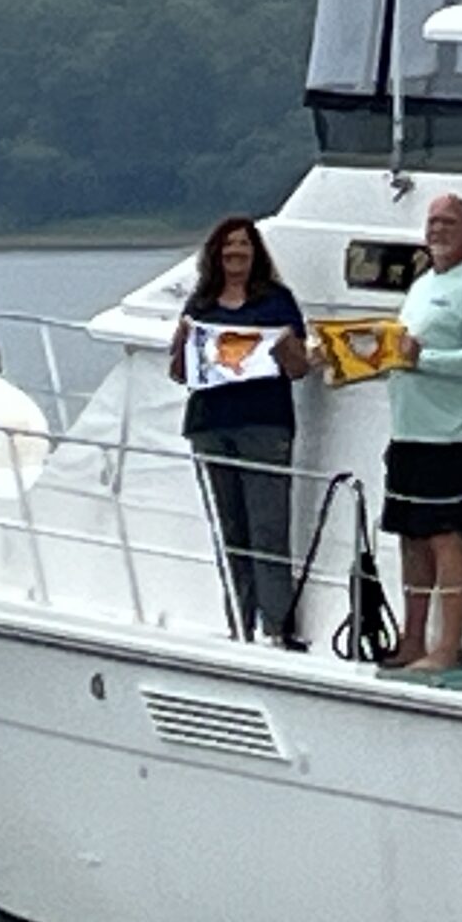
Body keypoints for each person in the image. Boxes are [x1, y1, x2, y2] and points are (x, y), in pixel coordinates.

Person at [169, 216, 311, 647]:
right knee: (229, 528)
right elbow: (180, 373)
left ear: (256, 252)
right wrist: (182, 340)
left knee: (268, 527)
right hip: (211, 425)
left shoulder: (277, 301)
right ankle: (239, 621)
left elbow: (299, 368)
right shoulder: (201, 304)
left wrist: (284, 345)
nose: (235, 252)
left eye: (244, 245)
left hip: (264, 424)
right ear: (216, 253)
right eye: (228, 245)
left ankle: (277, 626)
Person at [383, 192, 462, 671]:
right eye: (433, 221)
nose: (438, 229)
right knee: (411, 538)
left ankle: (447, 647)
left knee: (445, 538)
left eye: (449, 221)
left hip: (451, 434)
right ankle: (412, 639)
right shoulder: (421, 286)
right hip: (408, 433)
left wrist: (424, 359)